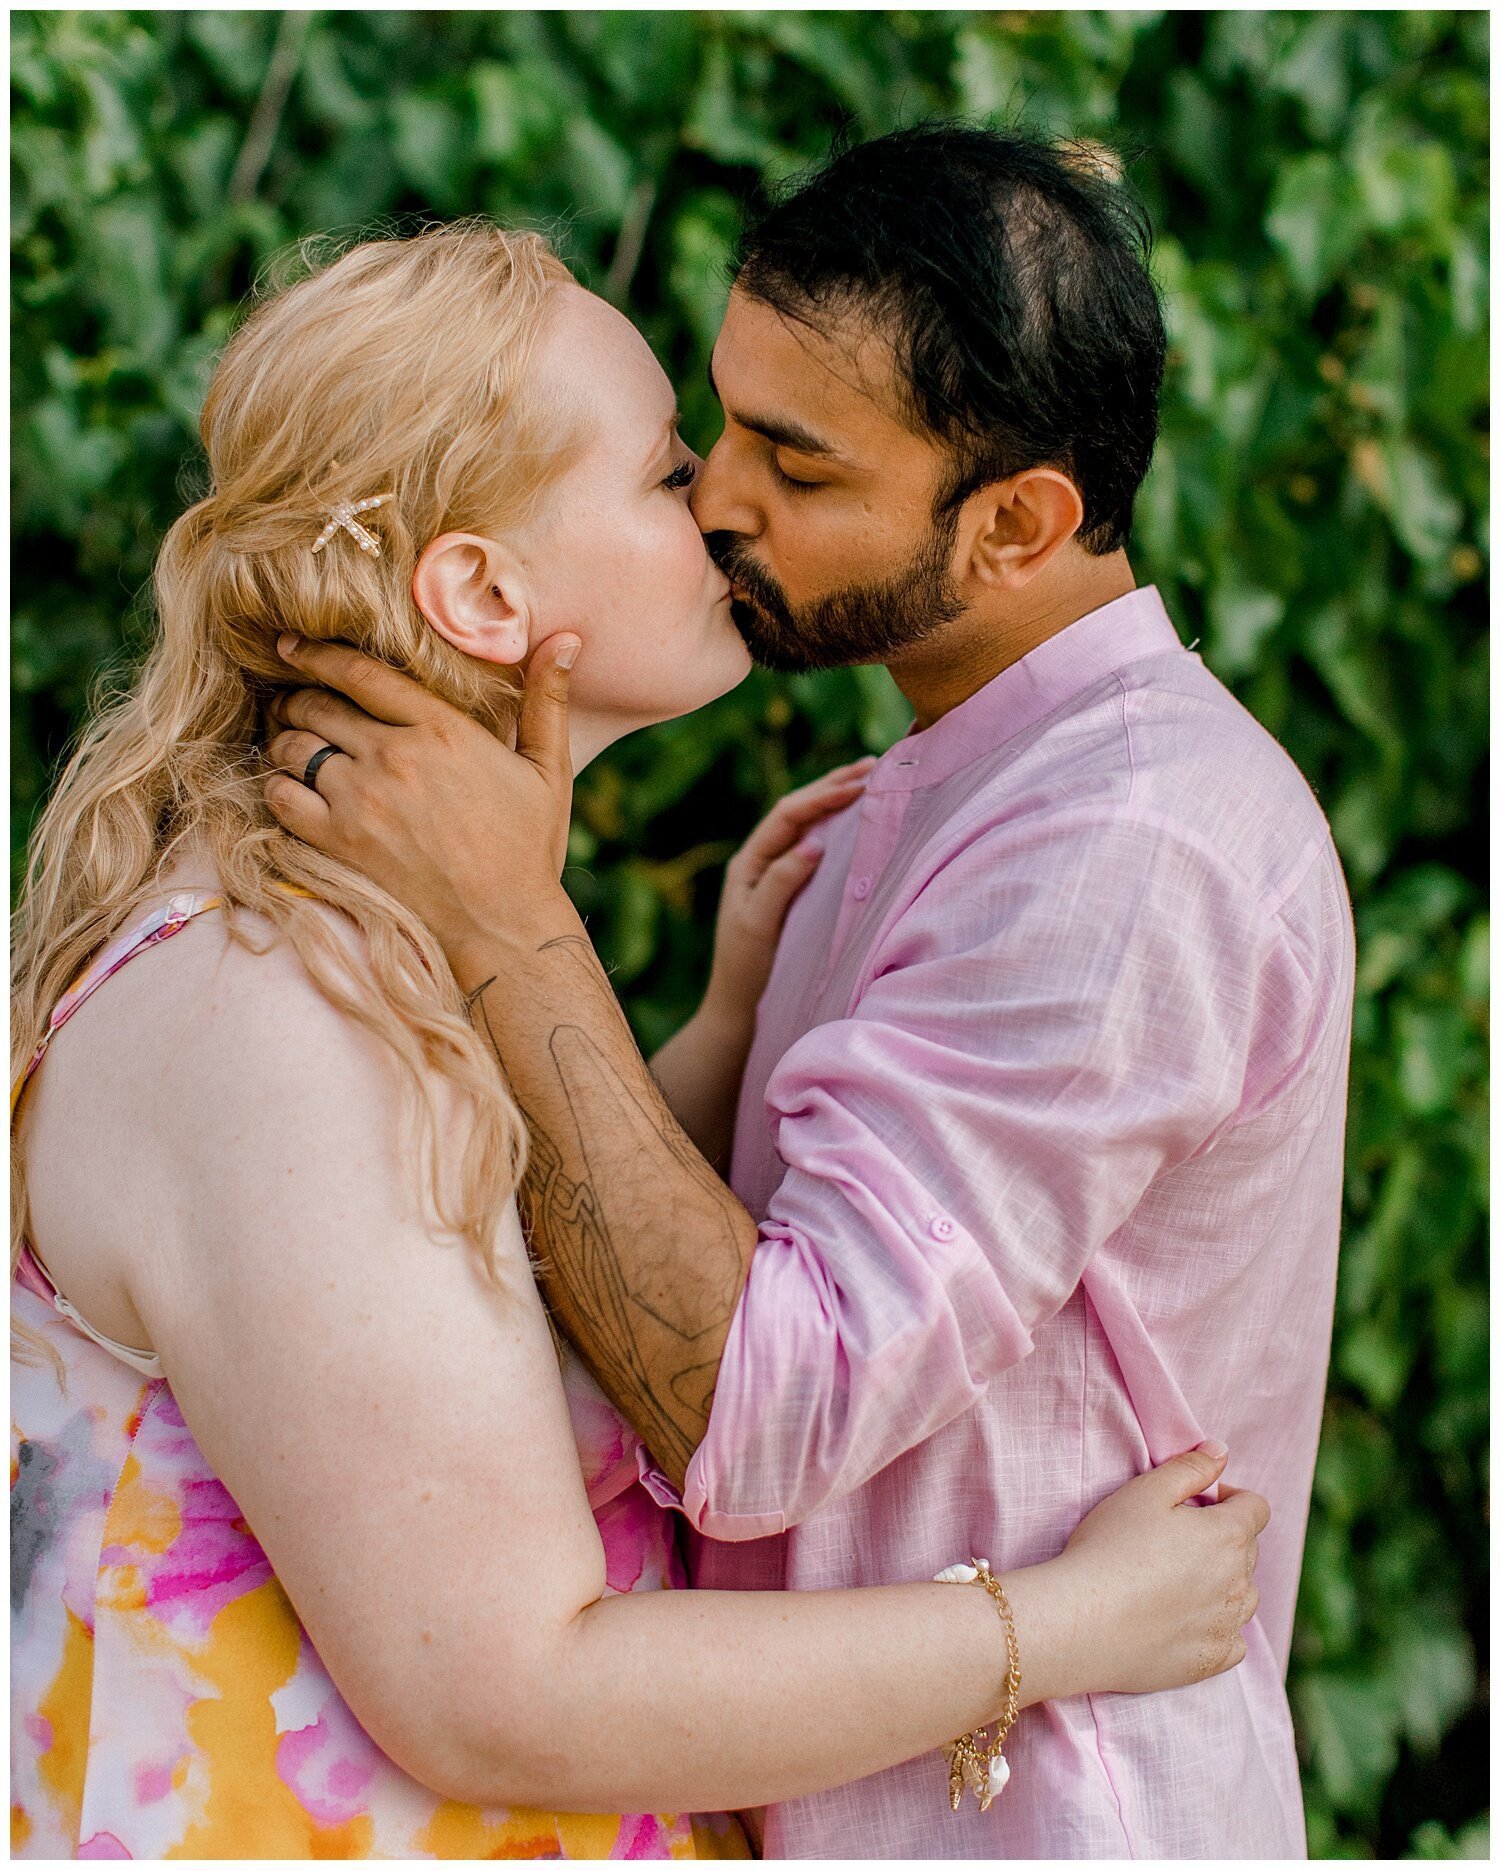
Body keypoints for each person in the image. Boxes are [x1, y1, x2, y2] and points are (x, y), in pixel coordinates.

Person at [10, 221, 1268, 1863]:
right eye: (672, 473)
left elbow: (469, 1320)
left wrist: (725, 1030)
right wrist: (1056, 1630)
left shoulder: (355, 944)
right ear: (479, 589)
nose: (727, 510)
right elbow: (501, 1689)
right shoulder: (275, 1015)